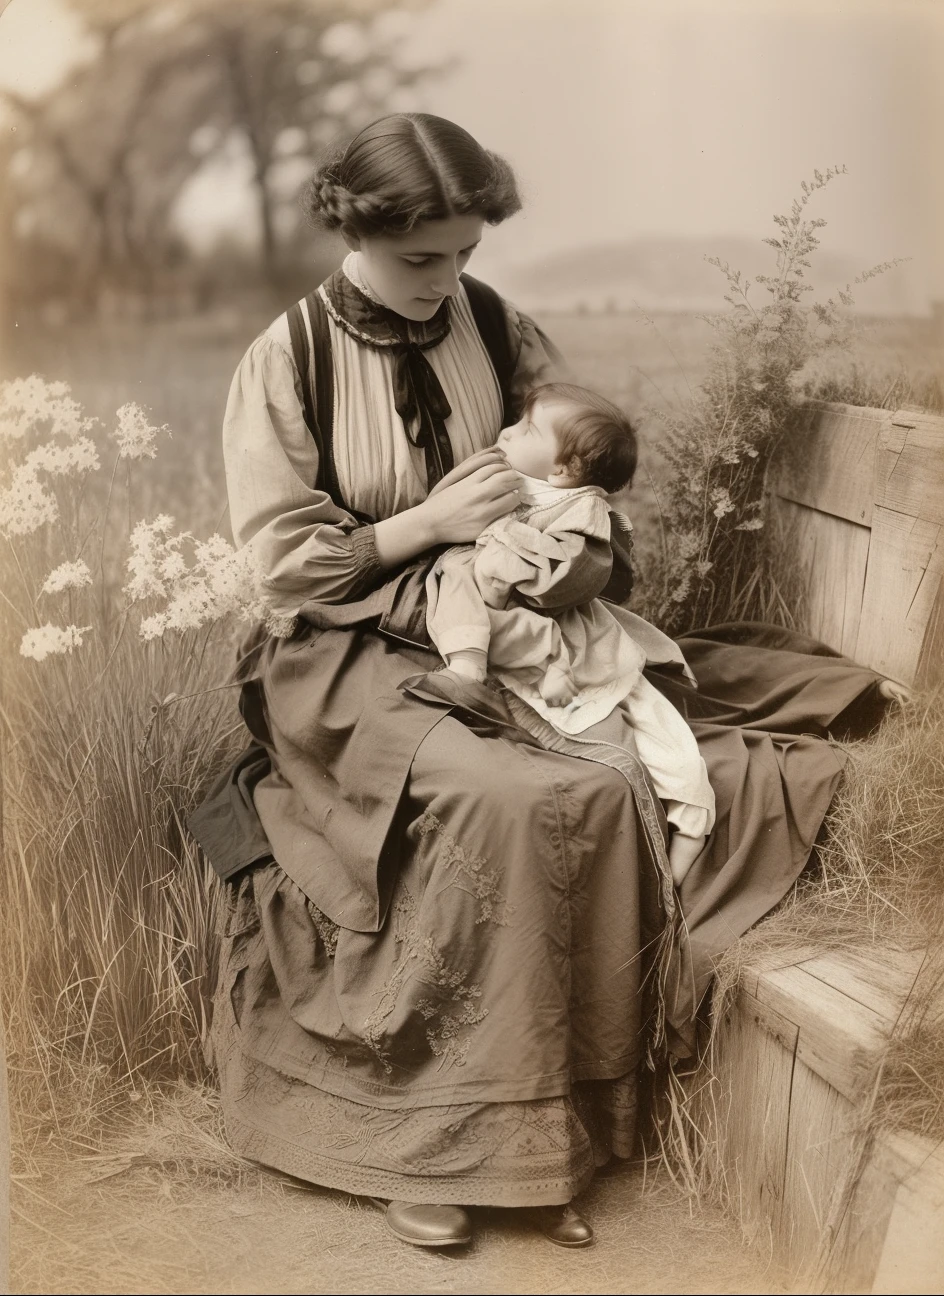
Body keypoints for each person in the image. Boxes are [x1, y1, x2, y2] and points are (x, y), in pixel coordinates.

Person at [189, 112, 891, 1252]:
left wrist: (579, 569)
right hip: (345, 643)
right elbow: (284, 562)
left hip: (519, 626)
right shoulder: (289, 357)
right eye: (421, 256)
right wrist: (427, 523)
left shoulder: (495, 325)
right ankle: (426, 1137)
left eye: (464, 253)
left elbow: (590, 475)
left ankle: (558, 1129)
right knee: (503, 800)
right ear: (353, 226)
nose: (445, 279)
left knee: (621, 778)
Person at [424, 380, 715, 885]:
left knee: (667, 744)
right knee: (455, 582)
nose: (505, 431)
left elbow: (569, 572)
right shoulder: (507, 475)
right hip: (500, 612)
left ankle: (681, 855)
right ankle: (467, 663)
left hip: (556, 622)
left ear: (563, 468)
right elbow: (446, 509)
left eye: (526, 428)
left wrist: (504, 541)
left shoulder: (582, 509)